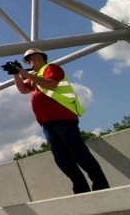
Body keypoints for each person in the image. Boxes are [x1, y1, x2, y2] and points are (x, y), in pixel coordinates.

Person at [8, 48, 110, 194]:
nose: (29, 62)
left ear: (39, 56)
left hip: (63, 118)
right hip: (47, 122)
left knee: (78, 152)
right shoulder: (36, 76)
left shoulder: (51, 68)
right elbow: (23, 90)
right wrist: (16, 75)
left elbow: (51, 84)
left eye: (30, 58)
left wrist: (25, 74)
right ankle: (80, 186)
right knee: (62, 158)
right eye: (27, 60)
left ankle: (100, 184)